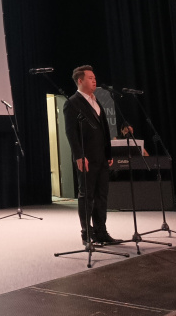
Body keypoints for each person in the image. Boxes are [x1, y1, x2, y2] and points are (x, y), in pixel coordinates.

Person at [65, 65, 122, 246]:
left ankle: (101, 231)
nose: (94, 80)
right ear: (80, 80)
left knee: (101, 196)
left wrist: (108, 153)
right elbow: (71, 133)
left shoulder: (96, 101)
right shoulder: (72, 102)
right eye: (90, 78)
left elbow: (104, 130)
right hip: (86, 158)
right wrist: (79, 155)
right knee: (87, 195)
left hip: (101, 158)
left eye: (94, 78)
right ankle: (86, 233)